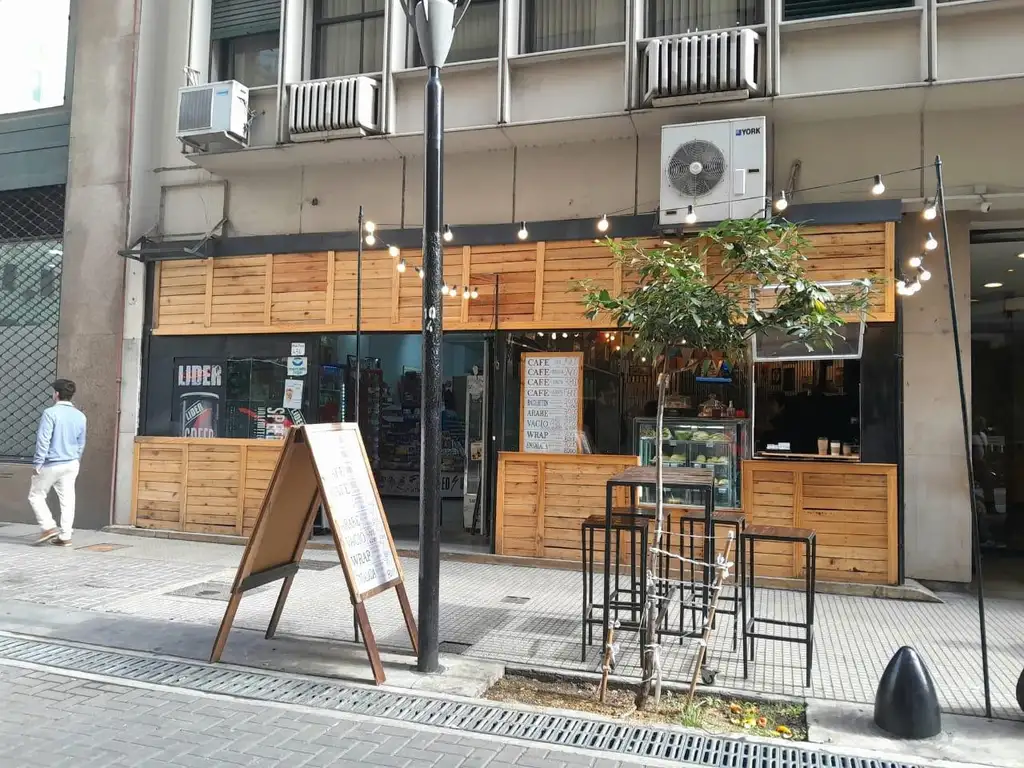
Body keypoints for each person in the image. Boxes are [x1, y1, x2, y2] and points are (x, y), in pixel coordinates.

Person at [28, 379, 87, 546]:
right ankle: (65, 535)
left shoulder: (50, 413)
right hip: (71, 463)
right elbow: (81, 442)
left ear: (57, 394)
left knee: (36, 495)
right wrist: (76, 459)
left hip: (51, 463)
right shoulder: (80, 416)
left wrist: (38, 463)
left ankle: (48, 527)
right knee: (68, 499)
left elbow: (43, 440)